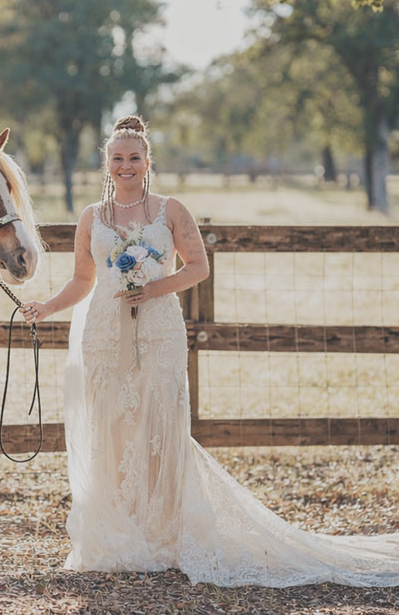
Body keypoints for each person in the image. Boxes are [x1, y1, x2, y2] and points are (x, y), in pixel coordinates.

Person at [21, 115, 399, 587]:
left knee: (161, 425)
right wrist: (47, 305)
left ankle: (163, 533)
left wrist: (155, 287)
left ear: (147, 161)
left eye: (134, 158)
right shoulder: (91, 218)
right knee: (111, 427)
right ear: (107, 163)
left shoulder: (170, 210)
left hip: (159, 331)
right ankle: (118, 533)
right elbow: (83, 279)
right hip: (104, 335)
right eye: (117, 158)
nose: (125, 166)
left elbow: (198, 266)